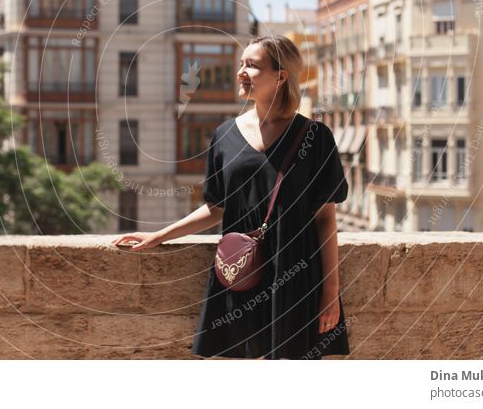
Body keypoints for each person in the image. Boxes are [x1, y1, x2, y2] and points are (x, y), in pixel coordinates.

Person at [112, 35, 350, 359]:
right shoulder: (224, 135)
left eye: (252, 65)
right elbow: (215, 208)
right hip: (240, 274)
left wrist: (331, 292)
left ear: (281, 76)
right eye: (241, 64)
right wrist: (159, 235)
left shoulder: (315, 137)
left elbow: (325, 218)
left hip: (295, 277)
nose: (241, 71)